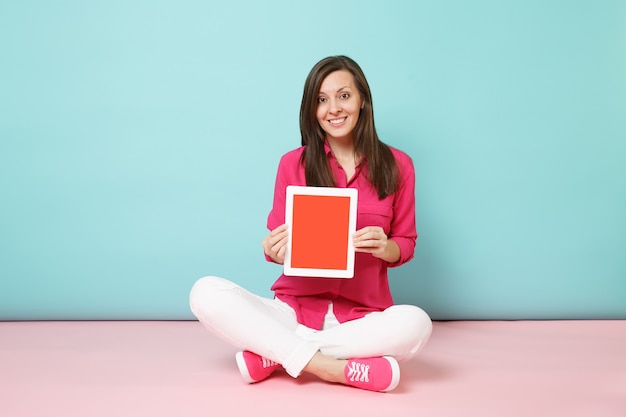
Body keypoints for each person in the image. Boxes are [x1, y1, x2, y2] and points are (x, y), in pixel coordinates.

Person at [189, 55, 432, 392]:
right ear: (312, 110)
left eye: (344, 96)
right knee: (205, 292)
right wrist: (275, 250)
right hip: (292, 311)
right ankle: (332, 368)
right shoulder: (293, 163)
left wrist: (386, 247)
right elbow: (279, 243)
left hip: (362, 318)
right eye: (321, 99)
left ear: (363, 100)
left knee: (417, 324)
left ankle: (277, 352)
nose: (333, 108)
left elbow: (405, 242)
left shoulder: (399, 165)